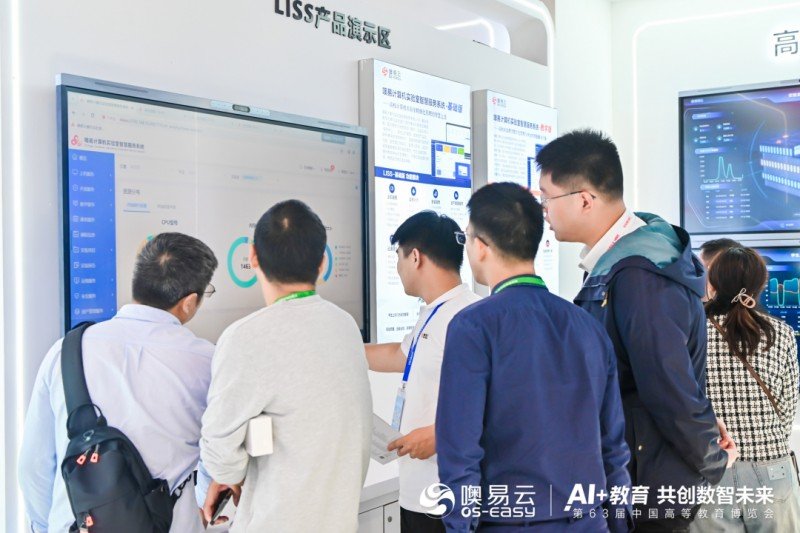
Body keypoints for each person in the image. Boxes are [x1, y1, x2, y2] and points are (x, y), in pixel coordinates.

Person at [537, 129, 737, 530]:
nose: (543, 210)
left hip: (645, 485)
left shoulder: (639, 277)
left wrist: (713, 460)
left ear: (584, 199)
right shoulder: (625, 262)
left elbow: (668, 388)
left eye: (546, 197)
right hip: (635, 472)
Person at [436, 182, 632, 532]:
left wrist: (459, 526)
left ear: (480, 247)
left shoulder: (473, 327)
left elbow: (460, 452)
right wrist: (618, 521)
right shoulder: (587, 326)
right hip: (589, 521)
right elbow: (613, 446)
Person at [19, 232, 219, 532]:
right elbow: (217, 454)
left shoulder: (67, 351)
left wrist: (44, 526)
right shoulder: (207, 362)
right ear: (189, 302)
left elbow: (34, 467)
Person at [199, 199, 371, 532]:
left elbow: (220, 456)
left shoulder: (245, 337)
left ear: (253, 257)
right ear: (322, 263)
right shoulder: (345, 325)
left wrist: (228, 473)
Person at [366, 211, 480, 533]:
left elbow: (496, 402)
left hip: (447, 495)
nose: (398, 267)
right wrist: (341, 346)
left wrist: (440, 435)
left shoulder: (468, 316)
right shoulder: (434, 312)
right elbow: (400, 356)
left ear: (415, 257)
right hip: (417, 490)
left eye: (398, 257)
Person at [692, 246, 800, 532]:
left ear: (712, 283)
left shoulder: (692, 331)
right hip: (771, 467)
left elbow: (684, 400)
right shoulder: (781, 333)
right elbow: (787, 407)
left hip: (712, 465)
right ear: (760, 285)